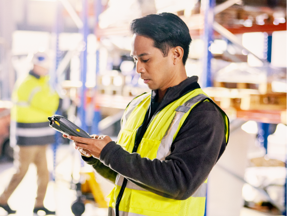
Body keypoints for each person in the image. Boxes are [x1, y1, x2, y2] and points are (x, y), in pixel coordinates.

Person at [65, 13, 230, 216]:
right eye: (135, 59)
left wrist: (109, 153)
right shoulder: (137, 105)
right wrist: (97, 156)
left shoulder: (203, 113)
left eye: (145, 59)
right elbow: (128, 175)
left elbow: (180, 182)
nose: (138, 69)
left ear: (176, 55)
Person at [0, 51, 59, 215]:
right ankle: (3, 199)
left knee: (44, 173)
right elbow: (49, 104)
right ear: (35, 66)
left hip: (40, 136)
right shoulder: (27, 83)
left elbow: (50, 102)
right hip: (27, 137)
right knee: (21, 172)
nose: (46, 70)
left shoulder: (42, 83)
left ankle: (39, 204)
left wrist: (53, 96)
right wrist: (55, 97)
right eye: (43, 67)